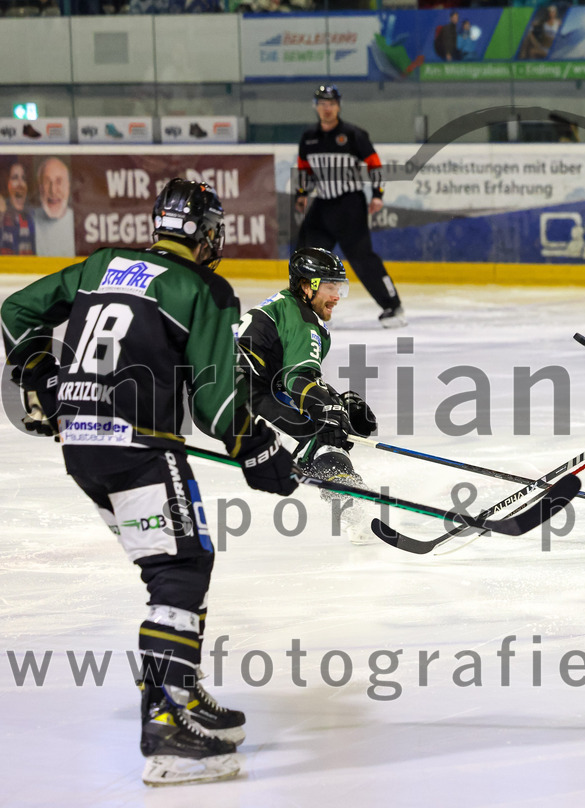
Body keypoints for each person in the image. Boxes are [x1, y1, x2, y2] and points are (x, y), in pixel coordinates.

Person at [0, 178, 297, 787]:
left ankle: (180, 694)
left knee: (174, 561)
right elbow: (216, 402)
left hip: (82, 446)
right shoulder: (203, 288)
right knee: (181, 566)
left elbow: (14, 310)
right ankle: (166, 724)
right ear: (209, 234)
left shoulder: (103, 264)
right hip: (137, 448)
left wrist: (37, 368)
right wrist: (259, 447)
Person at [235, 246, 378, 497]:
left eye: (339, 288)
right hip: (237, 395)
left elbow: (287, 377)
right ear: (306, 286)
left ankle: (340, 489)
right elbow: (298, 379)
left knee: (325, 414)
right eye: (329, 288)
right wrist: (328, 409)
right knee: (321, 435)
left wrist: (336, 402)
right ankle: (350, 504)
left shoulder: (285, 308)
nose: (336, 297)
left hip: (235, 388)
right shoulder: (303, 320)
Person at [295, 84, 405, 328]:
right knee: (308, 257)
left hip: (350, 206)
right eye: (322, 104)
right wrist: (301, 194)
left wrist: (378, 194)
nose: (327, 109)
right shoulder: (309, 138)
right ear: (316, 107)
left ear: (339, 106)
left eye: (331, 104)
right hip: (322, 205)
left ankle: (393, 306)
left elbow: (375, 165)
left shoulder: (354, 135)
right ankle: (310, 309)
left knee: (362, 258)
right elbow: (304, 169)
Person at [33, 156, 75, 257]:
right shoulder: (29, 220)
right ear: (40, 188)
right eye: (47, 182)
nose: (53, 190)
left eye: (59, 181)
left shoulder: (80, 222)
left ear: (68, 186)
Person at [1, 160, 36, 255]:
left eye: (23, 178)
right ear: (8, 184)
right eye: (15, 178)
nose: (20, 183)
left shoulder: (33, 216)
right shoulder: (2, 213)